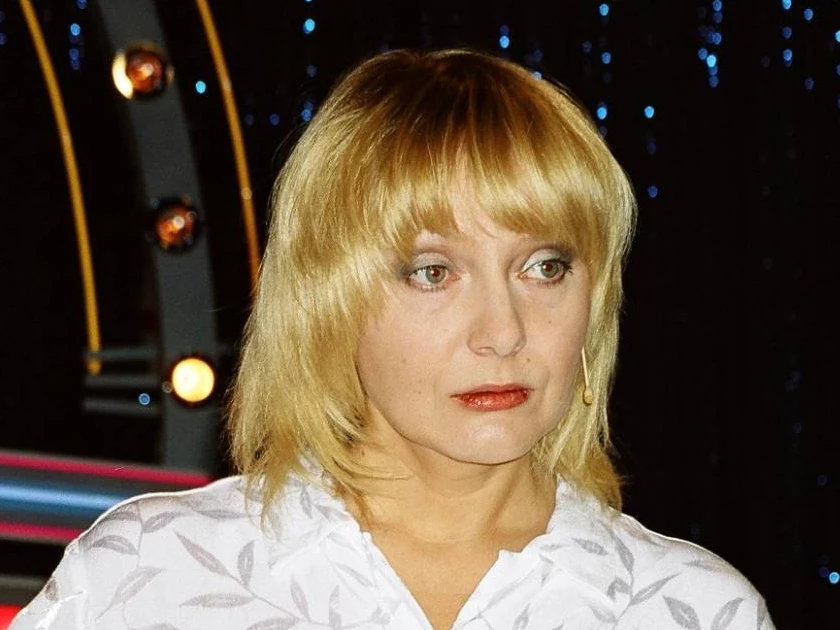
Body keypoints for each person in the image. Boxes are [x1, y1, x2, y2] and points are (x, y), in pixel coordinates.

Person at [11, 48, 774, 630]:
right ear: (327, 298)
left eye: (545, 267)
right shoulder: (152, 578)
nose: (503, 332)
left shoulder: (691, 609)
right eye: (433, 272)